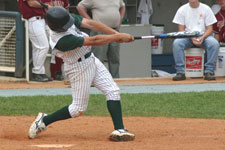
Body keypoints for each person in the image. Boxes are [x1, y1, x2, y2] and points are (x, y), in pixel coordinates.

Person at [28, 6, 135, 141]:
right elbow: (93, 41)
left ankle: (119, 129)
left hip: (90, 59)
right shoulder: (60, 40)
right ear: (57, 27)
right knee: (77, 109)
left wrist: (115, 34)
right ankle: (44, 120)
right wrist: (117, 37)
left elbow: (90, 23)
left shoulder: (65, 19)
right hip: (78, 68)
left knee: (113, 91)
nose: (69, 25)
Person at [76, 0, 126, 78]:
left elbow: (123, 6)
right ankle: (98, 79)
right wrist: (90, 21)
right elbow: (80, 7)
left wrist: (120, 19)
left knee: (115, 57)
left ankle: (115, 79)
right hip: (100, 31)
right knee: (98, 57)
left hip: (114, 30)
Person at [172, 0, 220, 81]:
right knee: (177, 43)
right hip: (187, 37)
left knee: (214, 43)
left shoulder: (206, 8)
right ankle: (180, 72)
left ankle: (209, 71)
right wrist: (192, 37)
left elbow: (210, 29)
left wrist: (202, 37)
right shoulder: (182, 9)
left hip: (203, 36)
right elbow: (181, 30)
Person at [18, 0, 52, 82]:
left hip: (41, 20)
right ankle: (37, 72)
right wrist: (46, 6)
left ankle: (40, 72)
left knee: (38, 48)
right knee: (43, 46)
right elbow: (31, 3)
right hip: (33, 20)